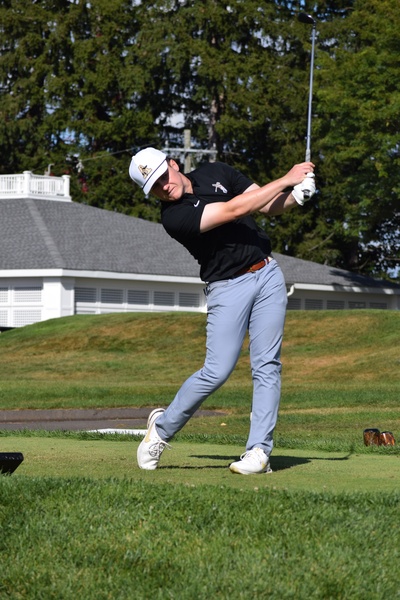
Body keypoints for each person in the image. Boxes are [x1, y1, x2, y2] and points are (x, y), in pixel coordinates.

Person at [129, 147, 315, 474]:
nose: (163, 187)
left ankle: (259, 452)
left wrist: (297, 196)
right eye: (154, 186)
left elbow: (266, 204)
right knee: (216, 371)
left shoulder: (217, 172)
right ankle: (161, 430)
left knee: (267, 365)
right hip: (227, 287)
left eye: (162, 177)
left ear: (173, 163)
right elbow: (234, 209)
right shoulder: (173, 217)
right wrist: (287, 178)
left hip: (267, 274)